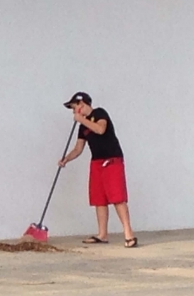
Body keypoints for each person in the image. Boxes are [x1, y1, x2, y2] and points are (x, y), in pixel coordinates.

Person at [58, 91, 138, 248]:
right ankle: (102, 234)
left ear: (82, 104)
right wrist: (66, 158)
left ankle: (129, 234)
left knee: (117, 197)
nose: (74, 112)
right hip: (96, 162)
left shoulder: (99, 113)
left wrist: (82, 119)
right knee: (99, 199)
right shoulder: (82, 127)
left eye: (75, 108)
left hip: (112, 160)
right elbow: (78, 148)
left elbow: (100, 129)